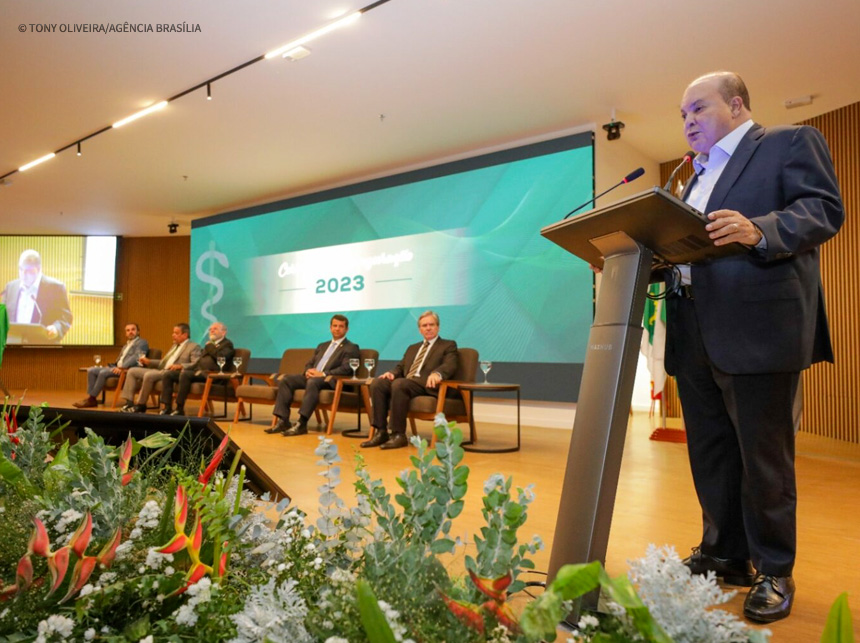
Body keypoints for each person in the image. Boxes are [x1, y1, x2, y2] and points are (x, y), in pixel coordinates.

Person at [667, 71, 844, 623]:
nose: (688, 121)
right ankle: (725, 553)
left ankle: (774, 569)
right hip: (693, 325)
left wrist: (759, 229)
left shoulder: (787, 143)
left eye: (698, 108)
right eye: (682, 115)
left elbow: (823, 211)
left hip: (757, 327)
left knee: (764, 458)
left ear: (737, 104)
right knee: (711, 451)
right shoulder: (689, 177)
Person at [362, 310, 458, 450]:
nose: (428, 328)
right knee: (378, 383)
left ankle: (398, 435)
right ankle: (381, 431)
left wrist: (437, 373)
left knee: (400, 383)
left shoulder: (448, 345)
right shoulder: (413, 348)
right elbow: (401, 367)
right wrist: (392, 373)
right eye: (424, 325)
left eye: (431, 324)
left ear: (438, 327)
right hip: (407, 384)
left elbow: (450, 364)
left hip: (427, 385)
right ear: (420, 329)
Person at [266, 314, 360, 436]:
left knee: (313, 382)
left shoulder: (351, 347)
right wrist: (308, 371)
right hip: (314, 378)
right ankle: (283, 420)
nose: (337, 329)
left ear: (346, 329)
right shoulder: (323, 345)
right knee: (287, 379)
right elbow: (310, 363)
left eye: (341, 326)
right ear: (330, 328)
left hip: (331, 381)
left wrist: (323, 373)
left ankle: (302, 423)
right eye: (334, 326)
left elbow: (346, 369)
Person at [119, 323, 201, 413]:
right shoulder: (175, 346)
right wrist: (149, 361)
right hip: (161, 370)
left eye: (176, 333)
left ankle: (141, 405)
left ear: (185, 335)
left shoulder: (193, 346)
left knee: (149, 375)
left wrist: (181, 366)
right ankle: (129, 402)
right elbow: (163, 363)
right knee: (132, 371)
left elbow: (196, 363)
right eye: (173, 332)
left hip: (172, 372)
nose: (173, 335)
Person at [159, 321, 234, 416]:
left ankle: (179, 408)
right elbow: (198, 361)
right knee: (168, 374)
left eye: (215, 329)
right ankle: (167, 407)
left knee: (185, 374)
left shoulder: (227, 344)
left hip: (213, 375)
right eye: (210, 329)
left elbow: (221, 357)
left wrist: (209, 346)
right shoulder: (210, 344)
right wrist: (184, 366)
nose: (211, 331)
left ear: (223, 332)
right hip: (199, 372)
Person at [2, 249, 73, 342]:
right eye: (20, 269)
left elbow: (65, 317)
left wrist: (56, 328)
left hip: (42, 348)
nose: (23, 275)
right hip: (13, 347)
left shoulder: (55, 288)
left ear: (39, 269)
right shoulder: (11, 287)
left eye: (28, 270)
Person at [73, 323, 149, 408]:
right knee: (91, 370)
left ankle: (91, 399)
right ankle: (90, 398)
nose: (130, 332)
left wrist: (122, 367)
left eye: (133, 329)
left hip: (128, 369)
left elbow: (136, 357)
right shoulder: (126, 345)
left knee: (103, 372)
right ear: (125, 333)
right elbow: (119, 360)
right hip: (117, 367)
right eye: (128, 330)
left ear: (138, 332)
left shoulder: (142, 342)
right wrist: (112, 366)